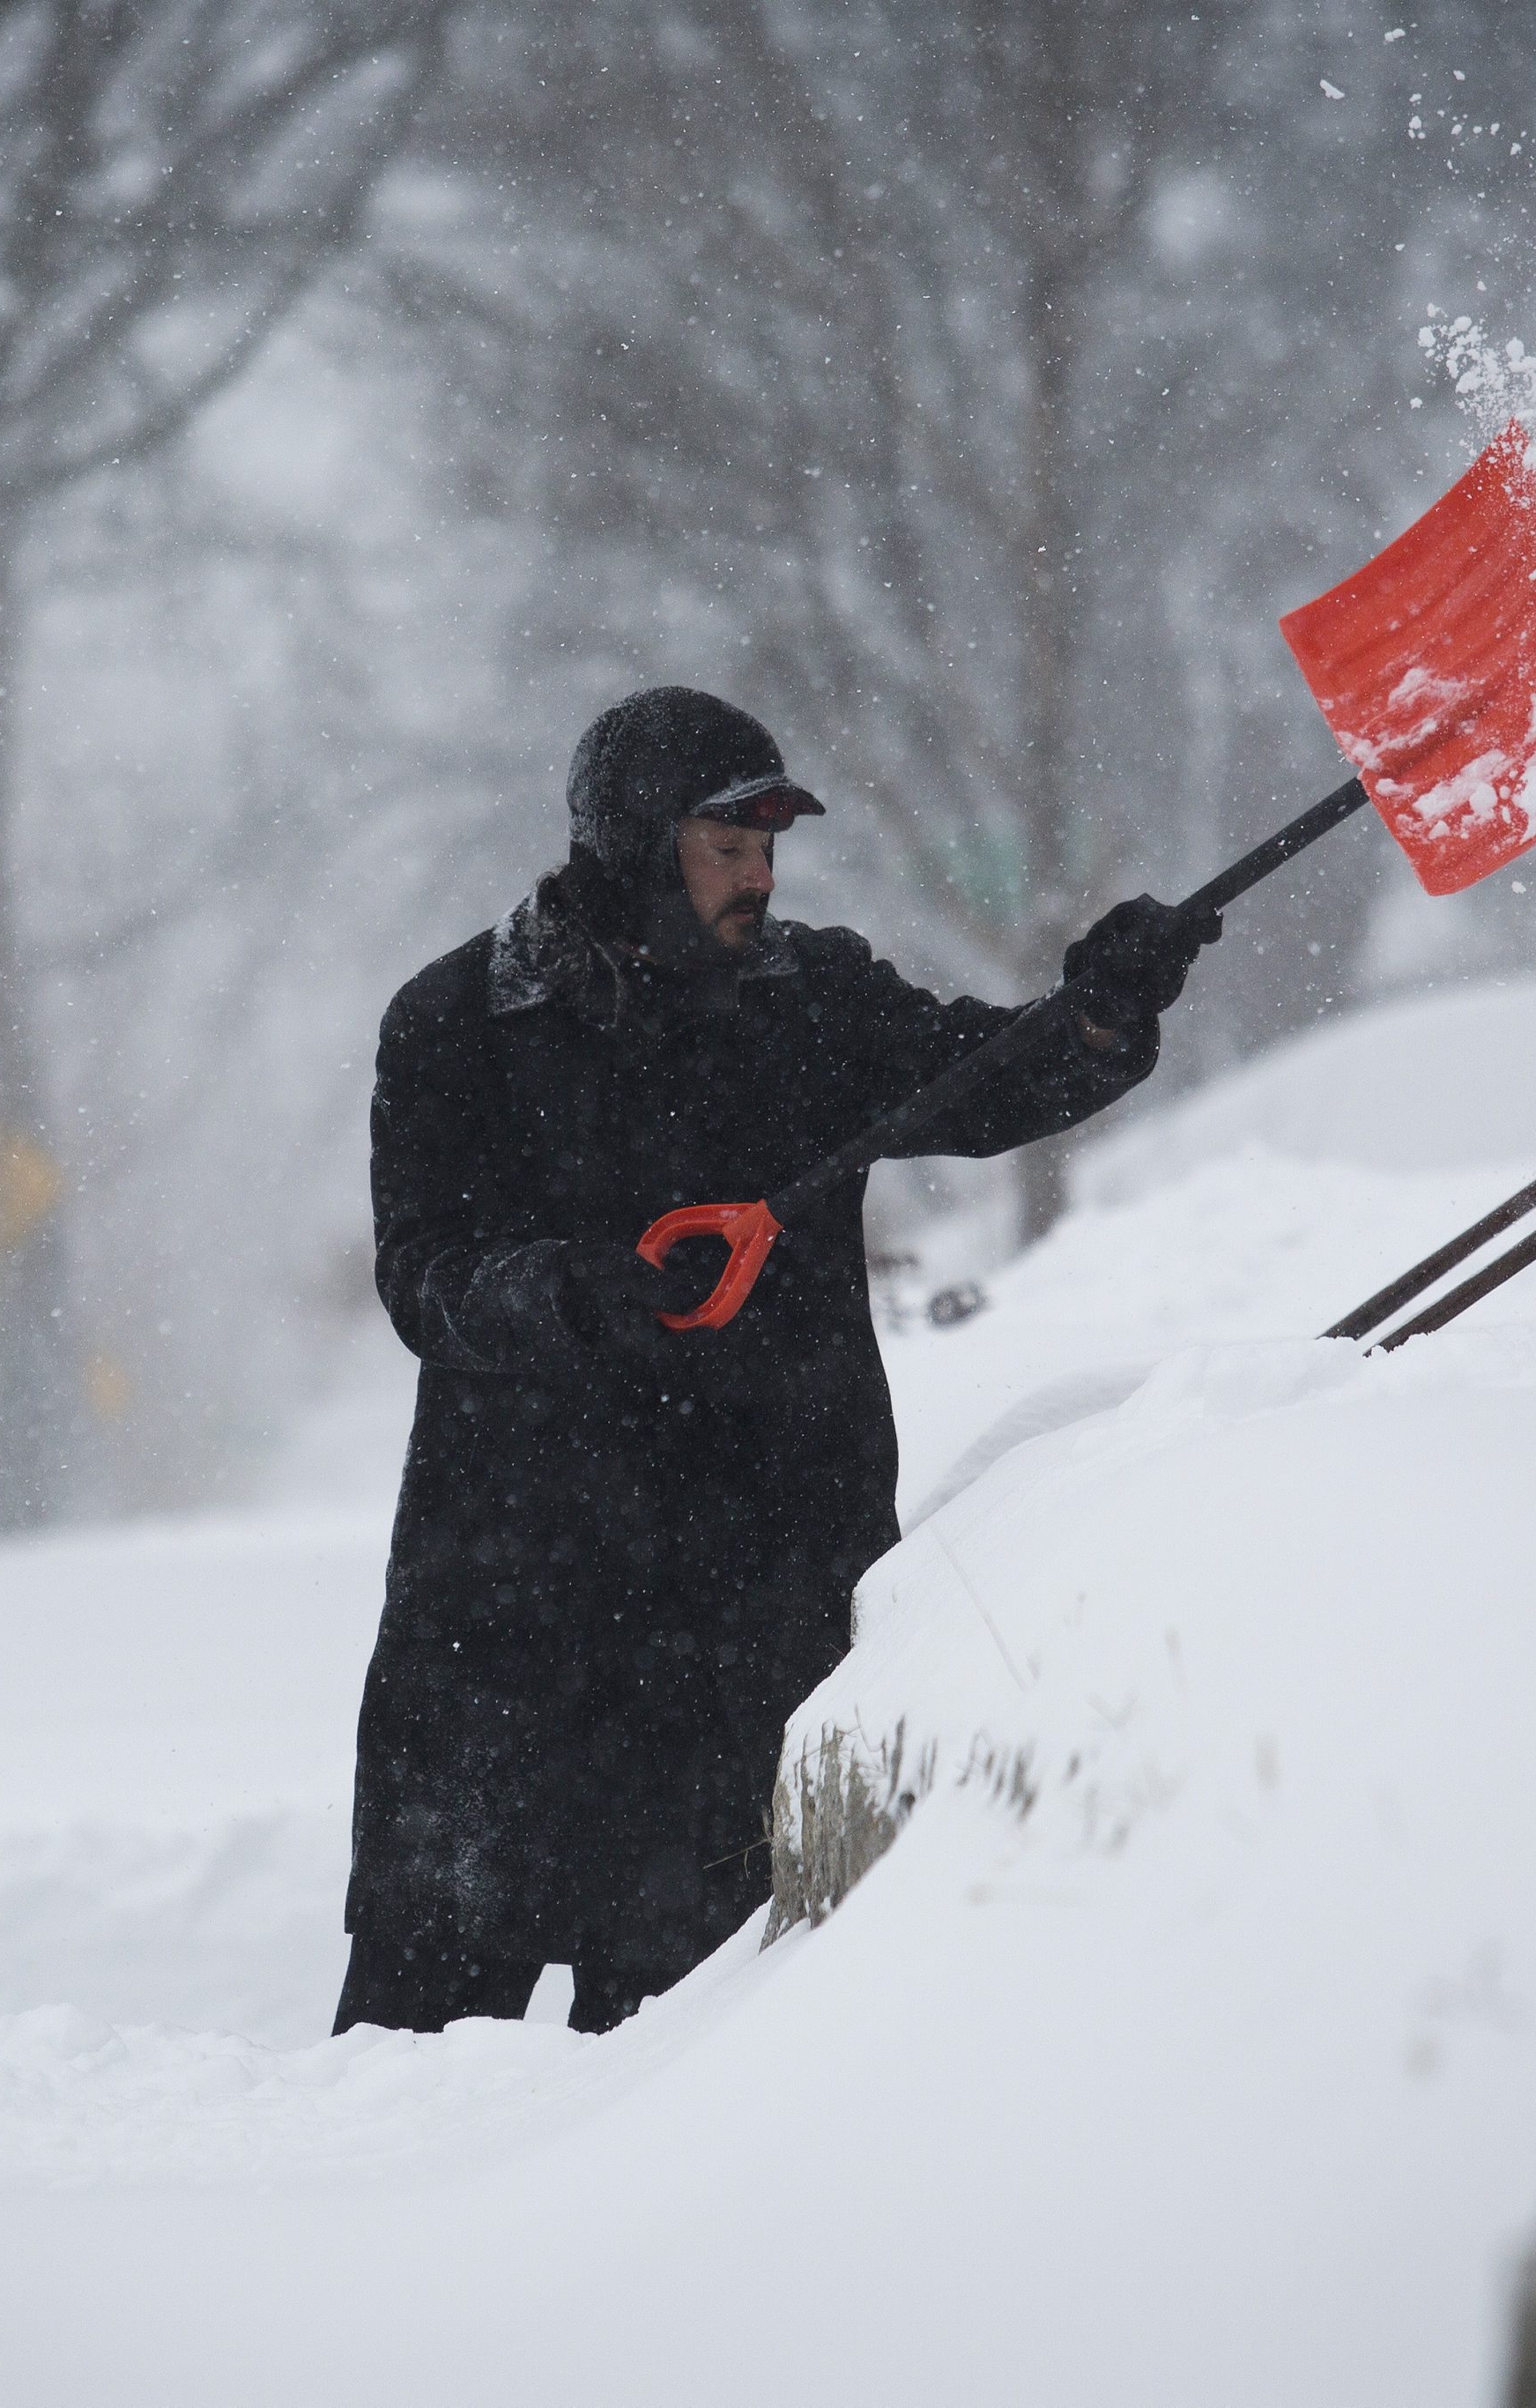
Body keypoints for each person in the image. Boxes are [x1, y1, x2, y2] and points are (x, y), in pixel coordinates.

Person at [335, 687, 1217, 2035]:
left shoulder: (811, 1002)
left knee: (699, 2059)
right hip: (514, 1614)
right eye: (725, 848)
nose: (758, 878)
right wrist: (577, 1295)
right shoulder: (459, 1023)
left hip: (753, 1610)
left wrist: (1096, 1017)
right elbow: (423, 1277)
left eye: (768, 850)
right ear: (637, 843)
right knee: (416, 2049)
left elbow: (978, 1081)